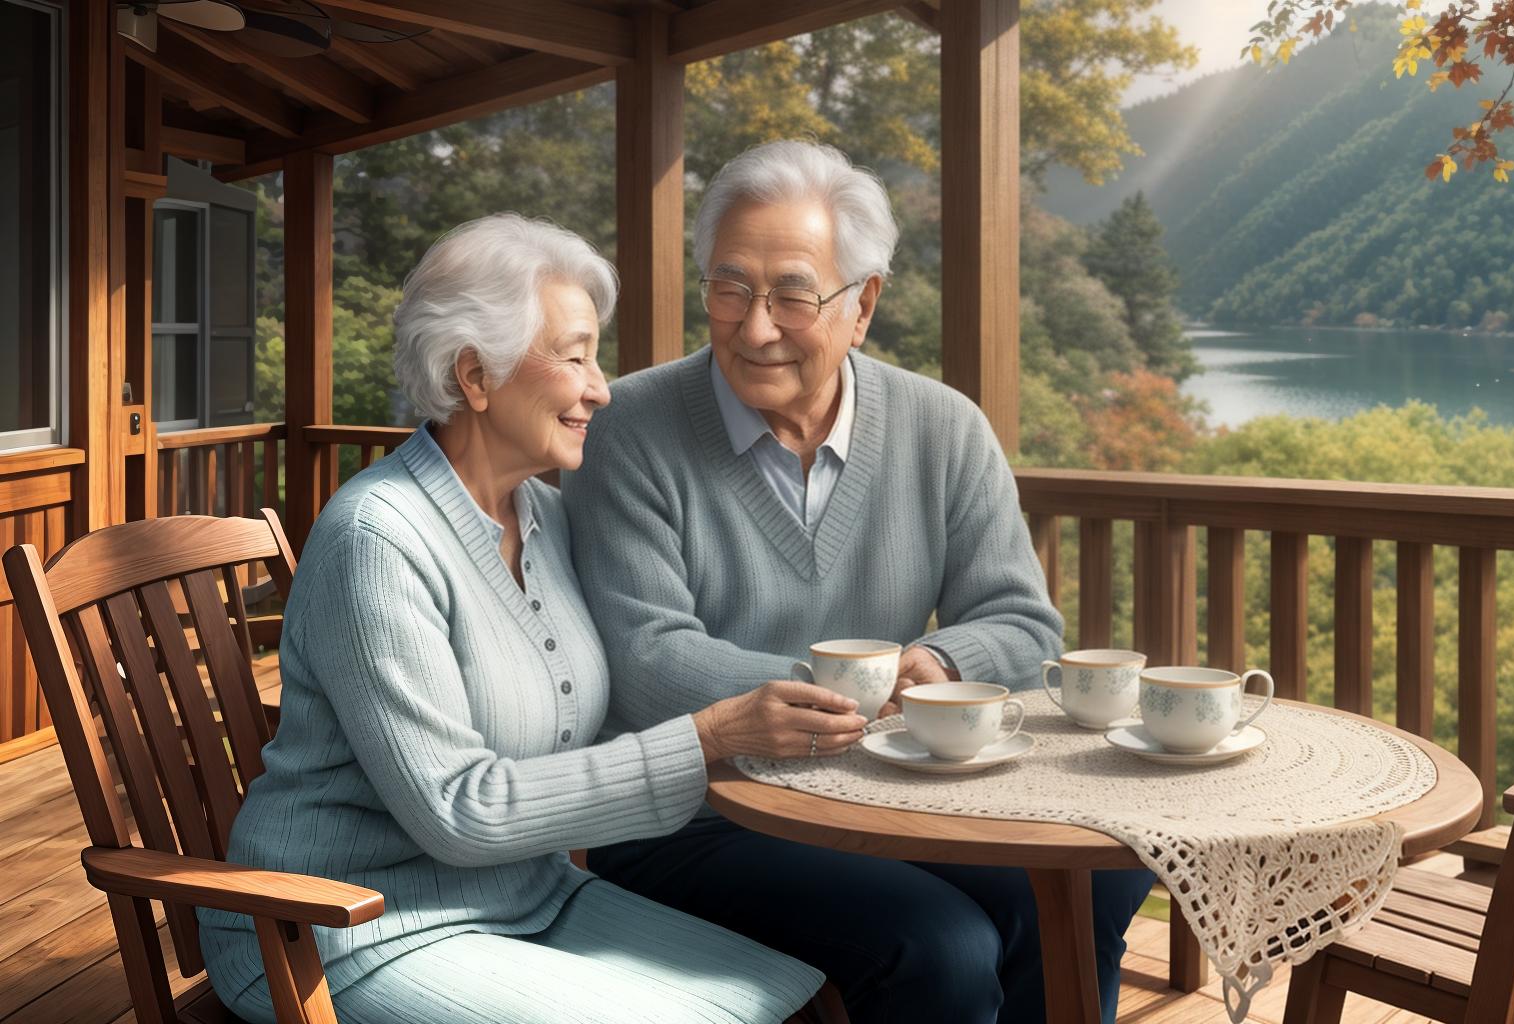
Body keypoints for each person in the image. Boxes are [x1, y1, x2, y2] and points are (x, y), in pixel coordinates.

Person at [198, 213, 866, 1024]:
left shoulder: (546, 517)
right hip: (340, 929)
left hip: (530, 893)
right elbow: (459, 810)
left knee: (806, 995)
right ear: (475, 376)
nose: (601, 388)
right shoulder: (376, 539)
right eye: (575, 356)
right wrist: (711, 736)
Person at [563, 141, 1155, 1024]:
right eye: (730, 290)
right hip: (695, 816)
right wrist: (856, 699)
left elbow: (1025, 622)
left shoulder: (943, 427)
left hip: (892, 797)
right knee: (943, 947)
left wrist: (943, 664)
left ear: (863, 305)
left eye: (793, 294)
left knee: (1093, 883)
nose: (755, 325)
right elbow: (646, 656)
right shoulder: (631, 430)